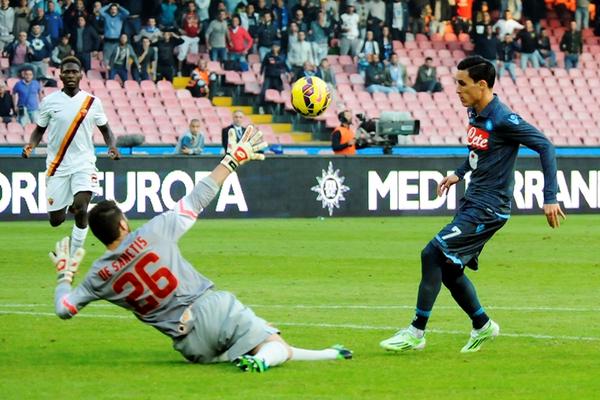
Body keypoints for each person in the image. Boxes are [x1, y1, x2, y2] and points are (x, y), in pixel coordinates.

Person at [49, 127, 352, 372]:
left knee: (270, 343)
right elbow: (197, 197)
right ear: (124, 225)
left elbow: (65, 309)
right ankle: (260, 361)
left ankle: (330, 354)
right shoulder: (154, 231)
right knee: (272, 346)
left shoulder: (100, 275)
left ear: (100, 237)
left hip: (190, 347)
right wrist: (230, 162)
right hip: (207, 308)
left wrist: (65, 275)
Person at [379, 56, 565, 354]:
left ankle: (415, 332)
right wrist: (459, 173)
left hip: (489, 207)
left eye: (462, 83)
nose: (456, 89)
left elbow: (546, 145)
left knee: (432, 253)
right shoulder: (474, 112)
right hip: (473, 200)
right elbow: (479, 151)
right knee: (450, 269)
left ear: (481, 85)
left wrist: (550, 197)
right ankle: (482, 325)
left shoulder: (503, 118)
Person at [21, 56, 121, 256]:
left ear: (81, 74)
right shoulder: (49, 102)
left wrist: (112, 146)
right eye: (66, 71)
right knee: (56, 220)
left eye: (74, 71)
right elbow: (39, 130)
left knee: (81, 207)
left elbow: (106, 129)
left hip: (84, 164)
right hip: (57, 166)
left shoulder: (92, 102)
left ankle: (73, 254)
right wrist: (31, 144)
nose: (70, 75)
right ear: (60, 75)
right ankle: (65, 205)